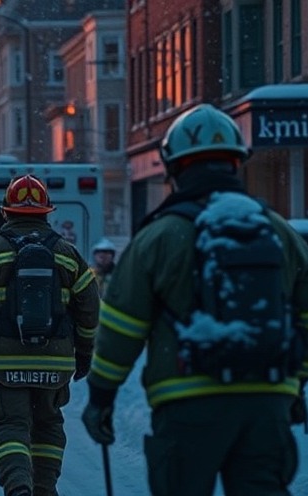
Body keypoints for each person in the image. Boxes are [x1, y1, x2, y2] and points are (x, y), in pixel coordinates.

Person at [81, 104, 308, 495]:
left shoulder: (158, 237)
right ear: (237, 163)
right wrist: (295, 383)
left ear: (173, 168)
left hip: (187, 405)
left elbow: (121, 327)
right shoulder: (279, 233)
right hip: (267, 401)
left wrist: (102, 397)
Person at [0, 175, 100, 496]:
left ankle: (19, 486)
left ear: (6, 213)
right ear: (48, 213)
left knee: (9, 426)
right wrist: (85, 352)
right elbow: (89, 308)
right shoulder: (67, 254)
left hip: (4, 365)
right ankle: (44, 489)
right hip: (54, 365)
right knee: (47, 427)